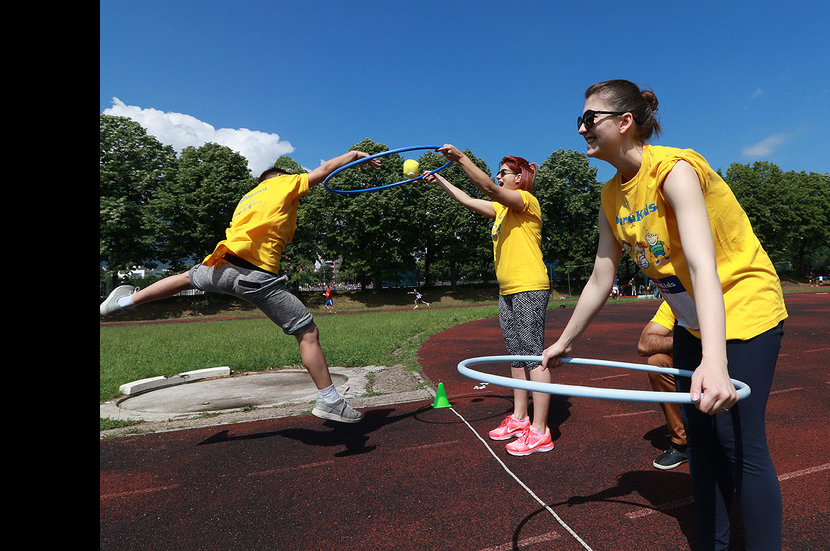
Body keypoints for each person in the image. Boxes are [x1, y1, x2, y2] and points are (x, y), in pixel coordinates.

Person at [541, 80, 788, 549]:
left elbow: (702, 264)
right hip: (694, 316)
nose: (581, 129)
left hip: (743, 305)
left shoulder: (674, 170)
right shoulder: (611, 194)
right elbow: (600, 277)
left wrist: (713, 362)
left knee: (738, 443)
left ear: (624, 122)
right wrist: (564, 341)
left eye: (589, 118)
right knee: (701, 441)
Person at [100, 149, 381, 424]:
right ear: (280, 177)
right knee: (307, 333)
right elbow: (324, 169)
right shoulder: (284, 182)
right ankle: (330, 400)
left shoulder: (248, 197)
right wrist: (354, 155)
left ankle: (124, 302)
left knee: (186, 278)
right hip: (255, 275)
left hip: (220, 266)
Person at [423, 145, 553, 456]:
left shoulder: (526, 202)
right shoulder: (501, 211)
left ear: (518, 179)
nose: (498, 176)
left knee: (534, 356)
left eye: (503, 172)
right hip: (508, 291)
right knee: (517, 356)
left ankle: (541, 430)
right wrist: (440, 180)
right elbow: (468, 199)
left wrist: (461, 159)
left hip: (529, 287)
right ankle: (521, 418)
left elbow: (487, 187)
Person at [637, 301, 687, 470]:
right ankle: (682, 443)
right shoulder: (677, 298)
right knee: (657, 362)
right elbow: (644, 344)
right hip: (693, 358)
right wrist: (688, 342)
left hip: (726, 360)